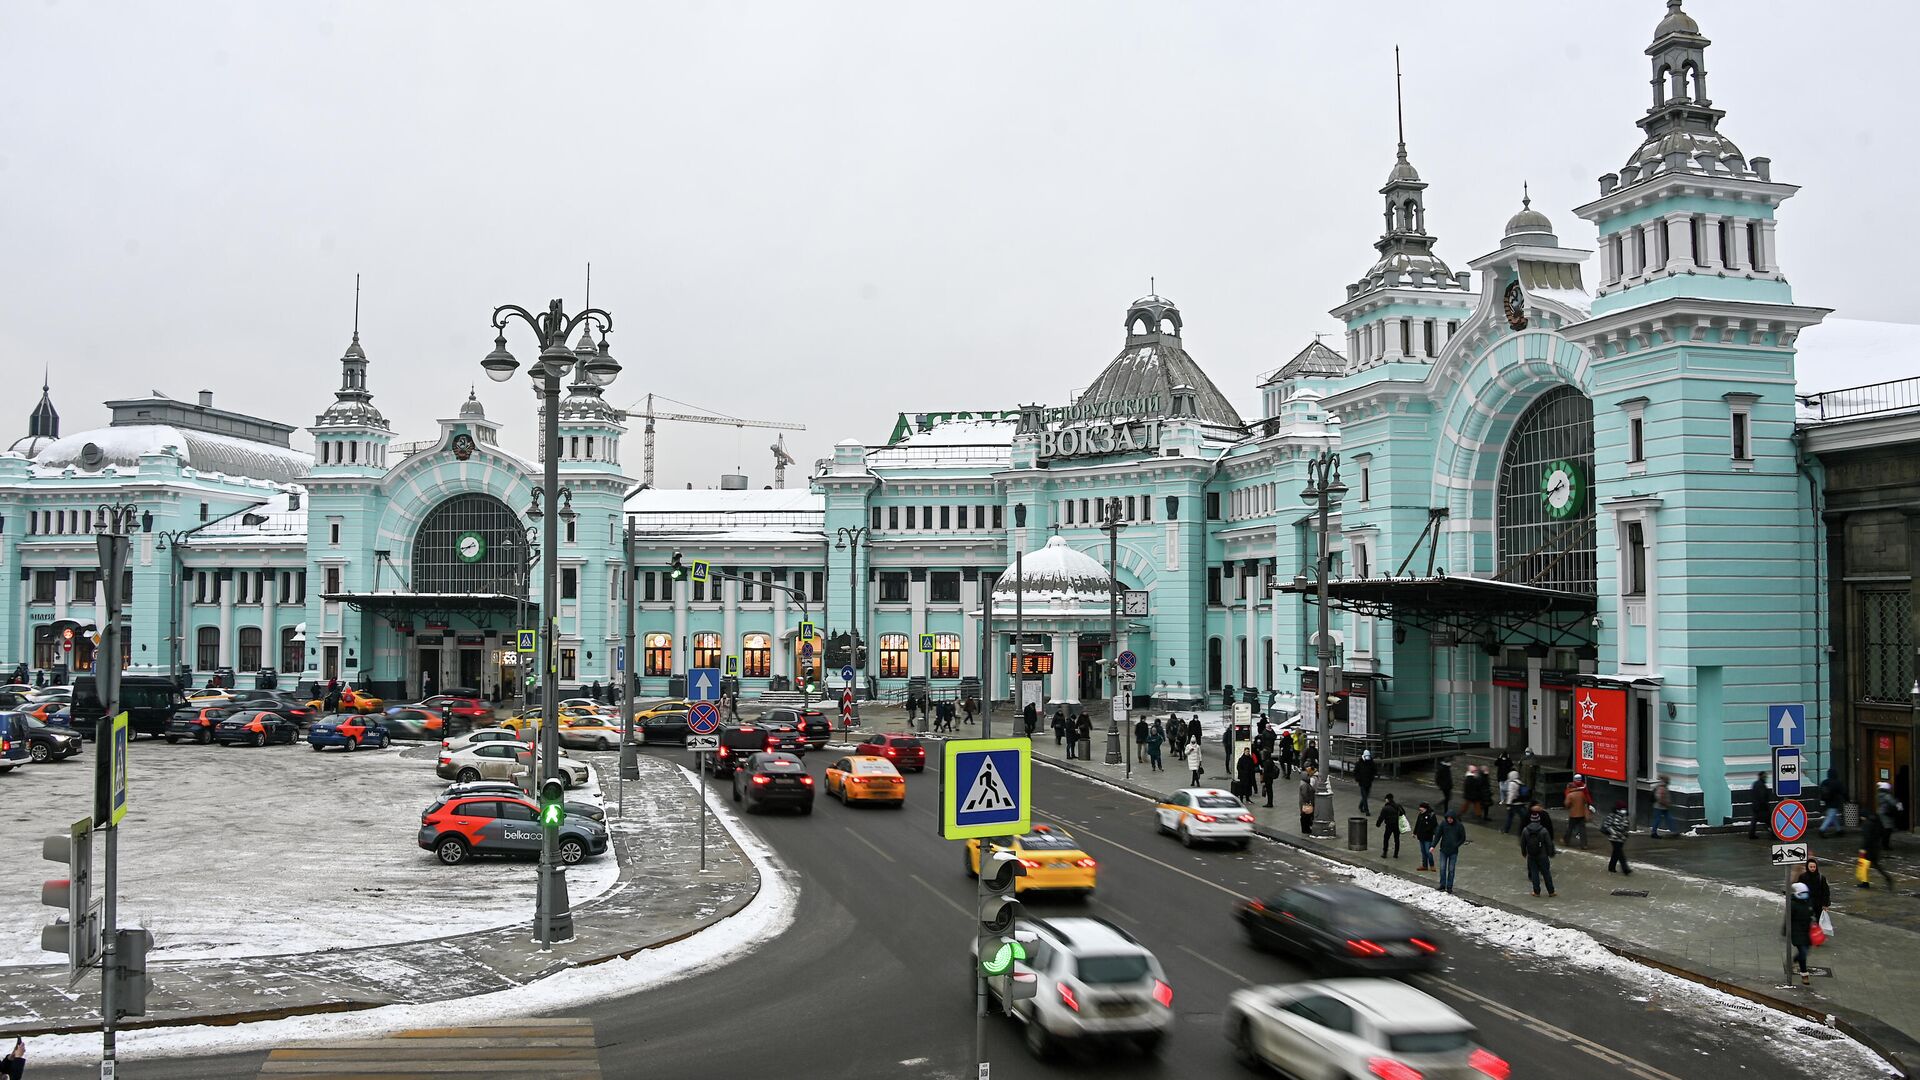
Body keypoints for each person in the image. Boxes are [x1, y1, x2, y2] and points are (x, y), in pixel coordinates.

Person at [1520, 807, 1557, 897]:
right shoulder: (1543, 831)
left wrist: (1524, 852)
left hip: (1531, 855)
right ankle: (1551, 891)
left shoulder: (1525, 830)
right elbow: (1549, 843)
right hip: (1543, 855)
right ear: (1539, 820)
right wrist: (1550, 853)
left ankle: (1536, 892)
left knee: (1534, 873)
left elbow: (1522, 843)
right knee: (1546, 873)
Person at [1788, 882, 1814, 986]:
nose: (1805, 894)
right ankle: (1804, 975)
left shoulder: (1808, 902)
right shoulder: (1793, 904)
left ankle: (1794, 960)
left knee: (1805, 951)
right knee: (1803, 953)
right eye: (1803, 893)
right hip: (1797, 932)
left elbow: (1812, 913)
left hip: (1807, 931)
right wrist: (1786, 931)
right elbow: (1788, 919)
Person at [1436, 810, 1467, 893]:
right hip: (1443, 850)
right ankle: (1442, 885)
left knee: (1451, 869)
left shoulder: (1459, 826)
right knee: (1442, 868)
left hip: (1453, 852)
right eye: (1448, 818)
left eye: (1450, 818)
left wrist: (1456, 845)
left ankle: (1449, 887)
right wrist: (1433, 845)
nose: (1449, 820)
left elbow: (1463, 838)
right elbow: (1438, 835)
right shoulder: (1443, 824)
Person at [1797, 857, 1831, 930]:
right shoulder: (1803, 877)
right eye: (1811, 867)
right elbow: (1799, 889)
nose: (1812, 868)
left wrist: (1825, 904)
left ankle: (1817, 933)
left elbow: (1825, 891)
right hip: (1806, 902)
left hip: (1818, 903)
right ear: (1807, 867)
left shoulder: (1821, 878)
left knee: (1819, 919)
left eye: (1814, 867)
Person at [1602, 800, 1632, 875]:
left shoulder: (1625, 817)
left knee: (1616, 853)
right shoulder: (1612, 816)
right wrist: (1612, 832)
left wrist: (1625, 835)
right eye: (1622, 809)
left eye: (1624, 809)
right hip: (1614, 838)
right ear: (1618, 808)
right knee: (1620, 853)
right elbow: (1606, 825)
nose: (1624, 810)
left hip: (1622, 838)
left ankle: (1611, 867)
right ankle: (1625, 868)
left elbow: (1626, 827)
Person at [1563, 775, 1592, 849]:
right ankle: (1584, 844)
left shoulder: (1570, 795)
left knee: (1570, 828)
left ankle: (1566, 841)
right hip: (1581, 814)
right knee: (1582, 830)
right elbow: (1585, 801)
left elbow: (1567, 804)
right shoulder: (1581, 793)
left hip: (1573, 814)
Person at [1818, 768, 1847, 838]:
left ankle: (1839, 830)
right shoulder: (1837, 782)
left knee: (1833, 816)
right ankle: (1822, 829)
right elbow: (1843, 792)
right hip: (1834, 802)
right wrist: (1847, 800)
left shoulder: (1824, 782)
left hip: (1826, 801)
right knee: (1830, 816)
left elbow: (1820, 792)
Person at [1376, 793, 1404, 859]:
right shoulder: (1398, 806)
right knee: (1397, 839)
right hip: (1397, 825)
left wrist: (1378, 824)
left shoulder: (1385, 808)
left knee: (1386, 838)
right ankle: (1396, 854)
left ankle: (1385, 852)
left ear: (1387, 799)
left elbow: (1381, 817)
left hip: (1389, 825)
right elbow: (1403, 813)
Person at [1413, 802, 1438, 871]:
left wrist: (1426, 830)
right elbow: (1417, 823)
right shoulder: (1420, 814)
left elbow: (1433, 825)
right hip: (1421, 836)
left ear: (1425, 808)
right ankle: (1424, 865)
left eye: (1421, 808)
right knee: (1423, 851)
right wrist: (1414, 832)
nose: (1420, 809)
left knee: (1428, 851)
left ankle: (1432, 865)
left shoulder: (1431, 815)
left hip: (1427, 837)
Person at [1747, 771, 1771, 840]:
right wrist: (1765, 805)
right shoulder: (1761, 785)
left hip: (1755, 806)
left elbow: (1752, 795)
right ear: (1762, 777)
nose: (1766, 778)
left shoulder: (1755, 784)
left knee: (1754, 821)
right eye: (1765, 776)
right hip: (1761, 807)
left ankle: (1751, 835)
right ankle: (1774, 833)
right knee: (1769, 821)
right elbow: (1762, 796)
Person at [1354, 749, 1377, 815]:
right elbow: (1356, 772)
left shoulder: (1371, 763)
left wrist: (1372, 777)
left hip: (1368, 782)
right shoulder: (1359, 764)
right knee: (1364, 796)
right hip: (1362, 783)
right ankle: (1366, 810)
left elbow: (1374, 771)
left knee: (1366, 796)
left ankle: (1361, 806)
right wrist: (1358, 779)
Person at [1298, 768, 1317, 835]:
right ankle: (1306, 829)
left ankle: (1306, 828)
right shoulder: (1305, 785)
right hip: (1305, 803)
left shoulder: (1304, 783)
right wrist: (1308, 802)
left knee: (1306, 815)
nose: (1310, 777)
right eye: (1308, 776)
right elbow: (1305, 794)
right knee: (1305, 816)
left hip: (1304, 802)